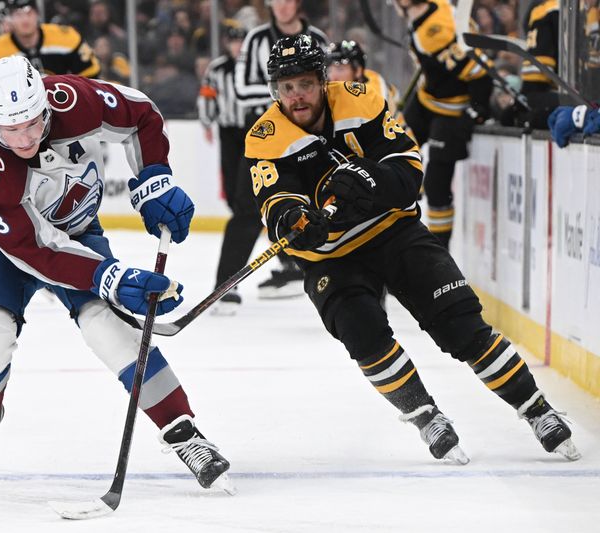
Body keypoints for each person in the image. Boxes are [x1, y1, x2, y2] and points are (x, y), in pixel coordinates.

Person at [244, 34, 580, 464]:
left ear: (322, 81)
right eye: (286, 88)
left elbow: (408, 169)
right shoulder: (265, 137)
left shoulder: (361, 101)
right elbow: (275, 201)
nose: (296, 97)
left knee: (462, 325)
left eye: (305, 84)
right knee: (363, 335)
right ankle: (426, 416)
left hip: (392, 231)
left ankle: (536, 408)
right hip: (330, 258)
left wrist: (371, 180)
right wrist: (295, 222)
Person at [0, 55, 233, 492]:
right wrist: (111, 276)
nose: (24, 137)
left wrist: (154, 177)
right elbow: (37, 249)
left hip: (77, 229)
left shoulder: (70, 99)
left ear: (45, 103)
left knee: (107, 326)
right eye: (11, 128)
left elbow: (140, 112)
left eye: (32, 122)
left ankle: (182, 430)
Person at [0, 0, 101, 254]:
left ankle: (58, 225)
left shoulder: (65, 38)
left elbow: (92, 75)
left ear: (37, 14)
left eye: (29, 12)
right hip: (13, 128)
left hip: (48, 122)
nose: (25, 19)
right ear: (8, 19)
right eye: (18, 14)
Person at [233, 0, 328, 300]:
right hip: (267, 134)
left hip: (312, 134)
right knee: (249, 208)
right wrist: (289, 93)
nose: (282, 6)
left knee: (316, 200)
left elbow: (332, 86)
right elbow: (240, 88)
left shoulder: (319, 39)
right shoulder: (257, 38)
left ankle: (298, 268)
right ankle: (226, 284)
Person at [393, 0, 493, 251]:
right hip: (427, 100)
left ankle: (438, 256)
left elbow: (481, 73)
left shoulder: (436, 29)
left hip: (451, 110)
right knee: (392, 151)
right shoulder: (430, 10)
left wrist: (476, 111)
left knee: (436, 184)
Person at [197, 24, 249, 314]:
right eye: (234, 41)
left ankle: (286, 263)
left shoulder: (255, 66)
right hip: (229, 132)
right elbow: (207, 96)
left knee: (248, 203)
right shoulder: (217, 69)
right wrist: (207, 121)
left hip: (252, 131)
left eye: (242, 41)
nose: (237, 46)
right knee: (234, 196)